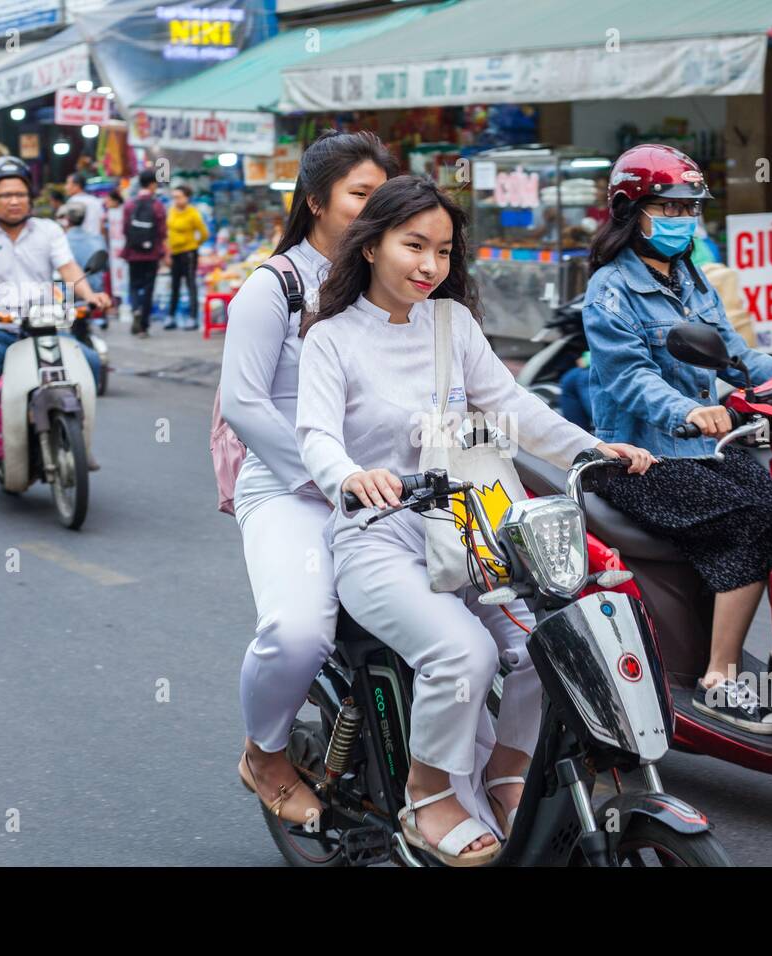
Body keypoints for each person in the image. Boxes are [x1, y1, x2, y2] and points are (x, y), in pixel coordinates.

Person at [295, 175, 654, 865]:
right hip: (379, 537)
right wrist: (351, 476)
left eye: (443, 252)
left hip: (468, 526)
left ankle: (506, 770)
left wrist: (592, 447)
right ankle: (427, 796)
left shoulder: (451, 324)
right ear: (370, 246)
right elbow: (315, 435)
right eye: (413, 246)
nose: (430, 265)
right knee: (465, 653)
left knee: (550, 642)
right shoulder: (330, 339)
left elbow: (510, 407)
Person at [582, 144, 772, 735]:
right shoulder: (609, 291)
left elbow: (739, 357)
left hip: (707, 448)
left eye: (690, 208)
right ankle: (719, 679)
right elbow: (629, 378)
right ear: (629, 210)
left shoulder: (692, 280)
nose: (682, 220)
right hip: (639, 459)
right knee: (747, 519)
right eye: (667, 208)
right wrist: (692, 411)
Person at [221, 129, 397, 828]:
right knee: (299, 631)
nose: (376, 210)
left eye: (385, 198)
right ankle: (264, 754)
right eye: (362, 195)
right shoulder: (274, 287)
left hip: (386, 485)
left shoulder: (389, 284)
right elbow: (242, 403)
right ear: (318, 201)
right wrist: (328, 477)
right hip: (290, 488)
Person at [0, 156, 108, 469]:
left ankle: (79, 437)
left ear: (30, 197)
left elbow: (69, 268)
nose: (14, 201)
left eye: (21, 194)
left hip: (45, 327)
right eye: (5, 195)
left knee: (92, 362)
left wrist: (89, 294)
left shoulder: (49, 230)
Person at [120, 169, 166, 338]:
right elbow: (162, 232)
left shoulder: (130, 205)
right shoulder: (157, 206)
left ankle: (136, 309)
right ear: (152, 184)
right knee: (148, 288)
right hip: (151, 254)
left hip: (133, 253)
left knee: (133, 285)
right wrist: (162, 252)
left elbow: (125, 229)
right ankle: (143, 326)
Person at [163, 185, 208, 330]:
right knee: (174, 285)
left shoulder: (193, 213)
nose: (176, 200)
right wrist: (168, 252)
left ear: (187, 198)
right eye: (174, 197)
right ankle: (171, 316)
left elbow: (204, 233)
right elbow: (167, 232)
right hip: (174, 253)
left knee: (190, 284)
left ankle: (193, 317)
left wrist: (194, 245)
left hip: (189, 253)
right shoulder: (171, 211)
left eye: (178, 197)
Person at [57, 204, 107, 293]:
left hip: (70, 295)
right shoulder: (98, 239)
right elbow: (105, 266)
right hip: (96, 292)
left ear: (66, 220)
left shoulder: (60, 242)